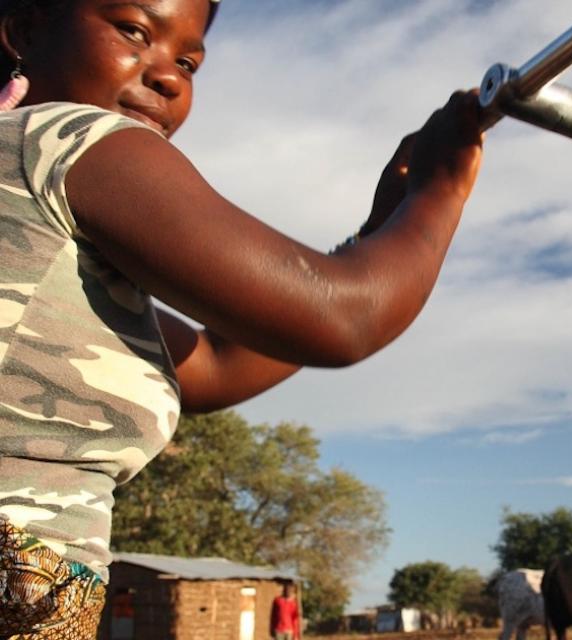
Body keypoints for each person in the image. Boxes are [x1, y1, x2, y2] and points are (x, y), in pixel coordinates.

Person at [0, 0, 483, 636]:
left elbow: (214, 366)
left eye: (189, 62)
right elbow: (343, 317)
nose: (168, 74)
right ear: (27, 29)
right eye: (134, 30)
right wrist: (439, 192)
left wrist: (378, 228)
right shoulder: (70, 141)